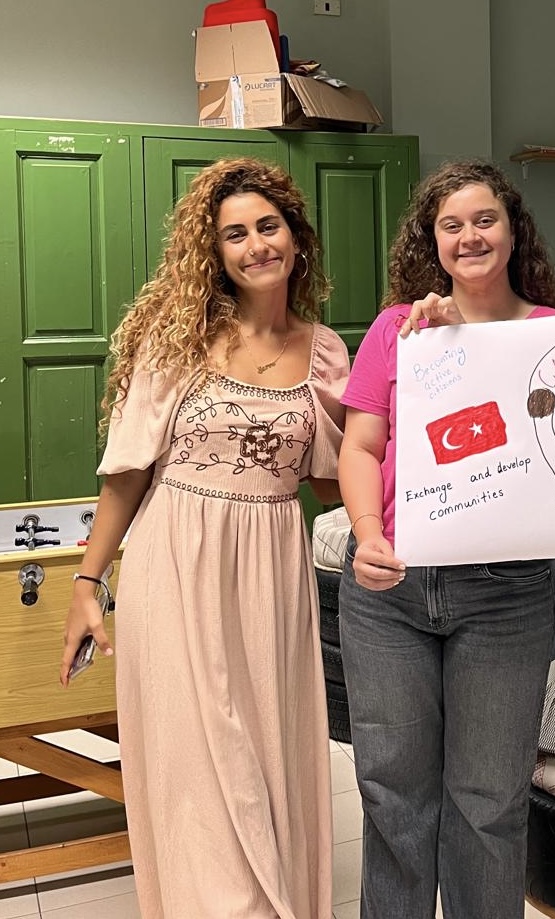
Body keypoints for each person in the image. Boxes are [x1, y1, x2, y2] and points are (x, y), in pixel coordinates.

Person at [59, 157, 348, 918]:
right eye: (234, 234)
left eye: (268, 226)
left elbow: (332, 481)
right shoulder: (178, 340)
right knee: (195, 772)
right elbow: (127, 474)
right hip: (174, 563)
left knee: (265, 758)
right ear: (214, 253)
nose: (256, 245)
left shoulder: (324, 351)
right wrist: (88, 583)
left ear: (295, 237)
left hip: (271, 578)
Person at [337, 159, 555, 918]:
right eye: (451, 225)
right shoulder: (399, 330)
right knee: (393, 795)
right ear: (431, 241)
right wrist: (366, 534)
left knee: (489, 801)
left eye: (484, 220)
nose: (470, 236)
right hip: (389, 590)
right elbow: (360, 446)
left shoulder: (553, 336)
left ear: (512, 230)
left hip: (506, 594)